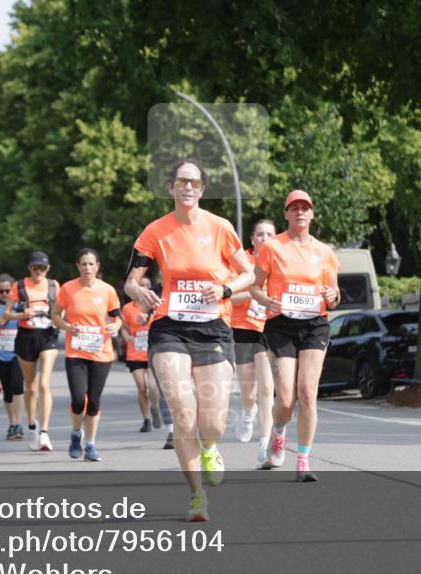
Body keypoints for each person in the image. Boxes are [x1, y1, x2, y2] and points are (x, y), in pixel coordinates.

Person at [125, 159, 254, 522]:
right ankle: (197, 496)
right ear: (170, 187)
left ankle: (210, 445)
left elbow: (248, 274)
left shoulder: (220, 228)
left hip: (212, 328)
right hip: (169, 327)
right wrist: (139, 292)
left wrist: (225, 288)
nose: (187, 187)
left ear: (201, 189)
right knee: (184, 413)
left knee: (211, 422)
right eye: (181, 181)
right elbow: (131, 280)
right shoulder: (155, 231)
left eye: (193, 183)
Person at [250, 190, 340, 482]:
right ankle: (278, 432)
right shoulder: (272, 248)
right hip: (281, 325)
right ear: (286, 214)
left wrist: (331, 294)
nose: (300, 212)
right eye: (294, 208)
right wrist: (266, 301)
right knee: (286, 398)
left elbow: (335, 297)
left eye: (305, 208)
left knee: (307, 394)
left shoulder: (325, 252)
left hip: (315, 324)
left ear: (312, 214)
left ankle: (303, 461)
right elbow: (254, 287)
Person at [52, 248, 122, 462]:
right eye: (83, 264)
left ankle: (90, 444)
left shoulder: (108, 290)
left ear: (98, 266)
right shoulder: (68, 289)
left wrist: (115, 327)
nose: (87, 268)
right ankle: (75, 434)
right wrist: (67, 326)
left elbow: (117, 317)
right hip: (76, 351)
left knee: (94, 402)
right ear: (78, 266)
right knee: (77, 399)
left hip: (101, 352)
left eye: (91, 264)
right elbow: (55, 314)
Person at [229, 219, 277, 466]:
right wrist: (254, 293)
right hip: (243, 328)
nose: (265, 238)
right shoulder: (243, 262)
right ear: (252, 239)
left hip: (268, 328)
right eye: (260, 234)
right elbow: (227, 298)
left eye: (270, 234)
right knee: (249, 391)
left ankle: (264, 444)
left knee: (267, 388)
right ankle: (248, 412)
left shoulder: (280, 261)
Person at [7, 251, 61, 452]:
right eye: (35, 267)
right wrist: (22, 314)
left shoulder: (55, 286)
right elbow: (6, 314)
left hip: (48, 335)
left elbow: (61, 311)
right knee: (31, 387)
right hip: (26, 337)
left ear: (48, 269)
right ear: (29, 268)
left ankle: (45, 432)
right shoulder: (19, 287)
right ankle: (32, 425)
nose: (38, 271)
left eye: (42, 268)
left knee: (44, 383)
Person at [0, 274, 26, 440]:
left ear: (13, 289)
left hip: (18, 353)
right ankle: (12, 423)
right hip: (1, 355)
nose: (4, 294)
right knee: (8, 391)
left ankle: (18, 424)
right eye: (1, 291)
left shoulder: (19, 305)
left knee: (18, 387)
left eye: (7, 290)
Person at [121, 277, 163, 433]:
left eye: (147, 285)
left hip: (152, 352)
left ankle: (155, 407)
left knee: (153, 387)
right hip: (135, 353)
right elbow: (124, 327)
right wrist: (126, 337)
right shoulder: (127, 308)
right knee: (141, 387)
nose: (144, 287)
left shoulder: (156, 305)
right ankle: (146, 419)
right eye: (141, 285)